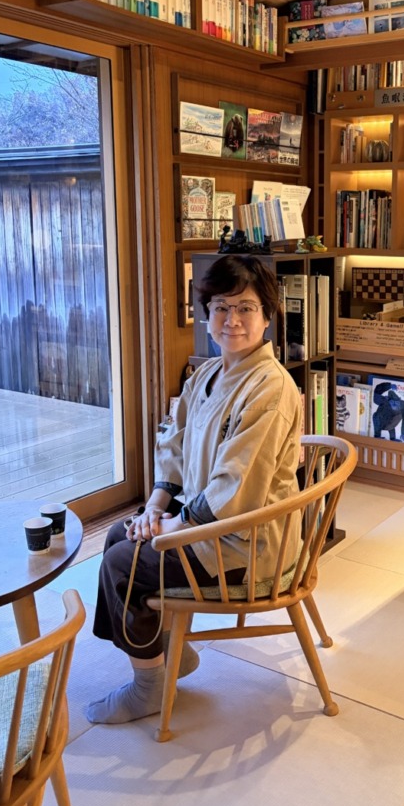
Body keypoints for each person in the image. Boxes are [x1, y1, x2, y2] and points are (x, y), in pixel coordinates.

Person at [88, 255, 302, 724]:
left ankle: (148, 688)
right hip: (209, 525)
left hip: (246, 540)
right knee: (120, 535)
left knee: (123, 564)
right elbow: (174, 440)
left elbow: (236, 487)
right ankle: (167, 650)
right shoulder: (206, 373)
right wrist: (154, 507)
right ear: (207, 314)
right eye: (221, 306)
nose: (232, 319)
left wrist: (174, 526)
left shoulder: (270, 388)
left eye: (245, 308)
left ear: (268, 316)